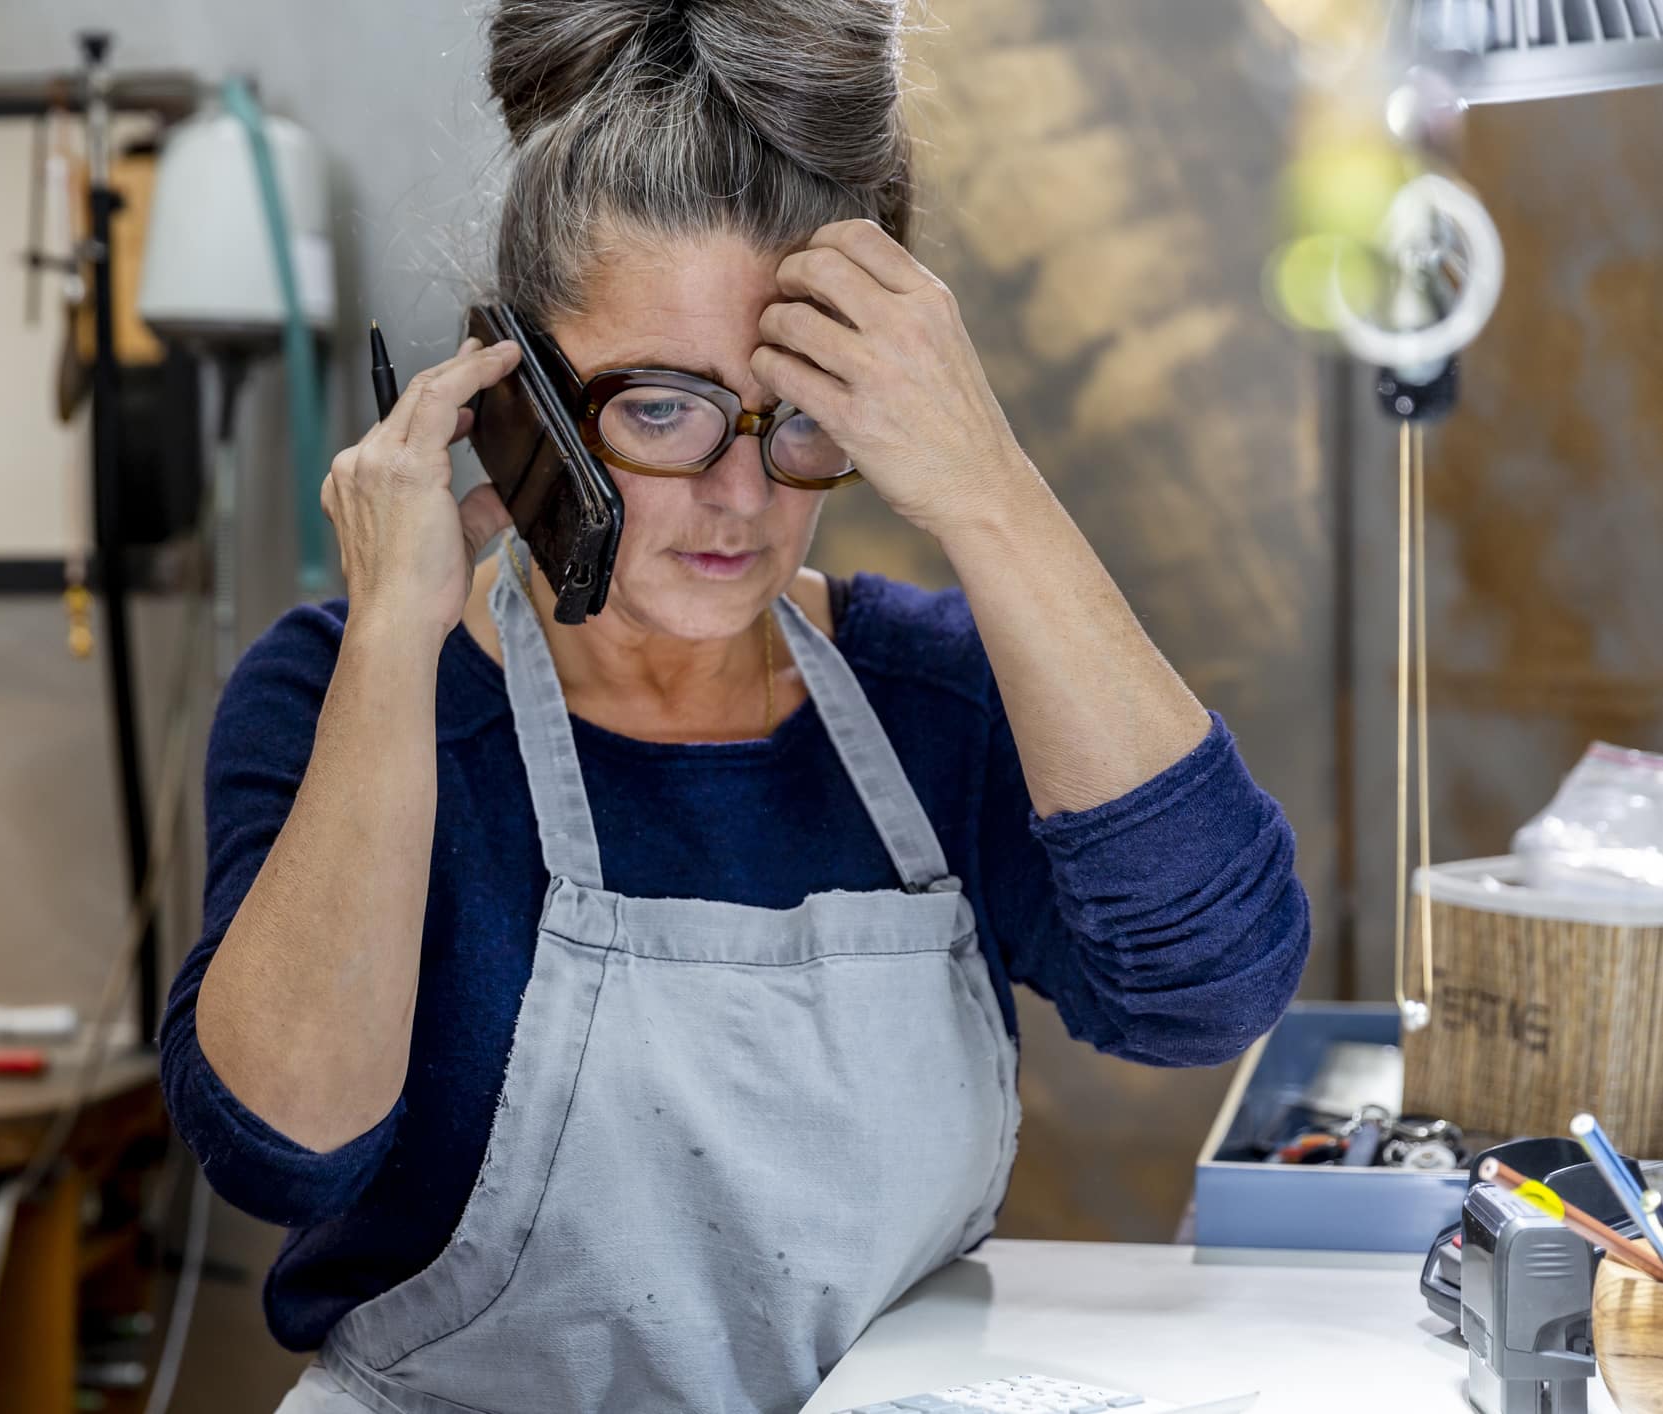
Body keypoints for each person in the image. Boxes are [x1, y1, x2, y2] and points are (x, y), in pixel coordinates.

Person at [161, 1, 1311, 1409]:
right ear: (519, 398)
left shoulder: (926, 698)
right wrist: (393, 647)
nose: (738, 495)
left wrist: (987, 487)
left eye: (800, 413)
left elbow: (1207, 990)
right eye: (661, 408)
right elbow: (281, 1146)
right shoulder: (336, 690)